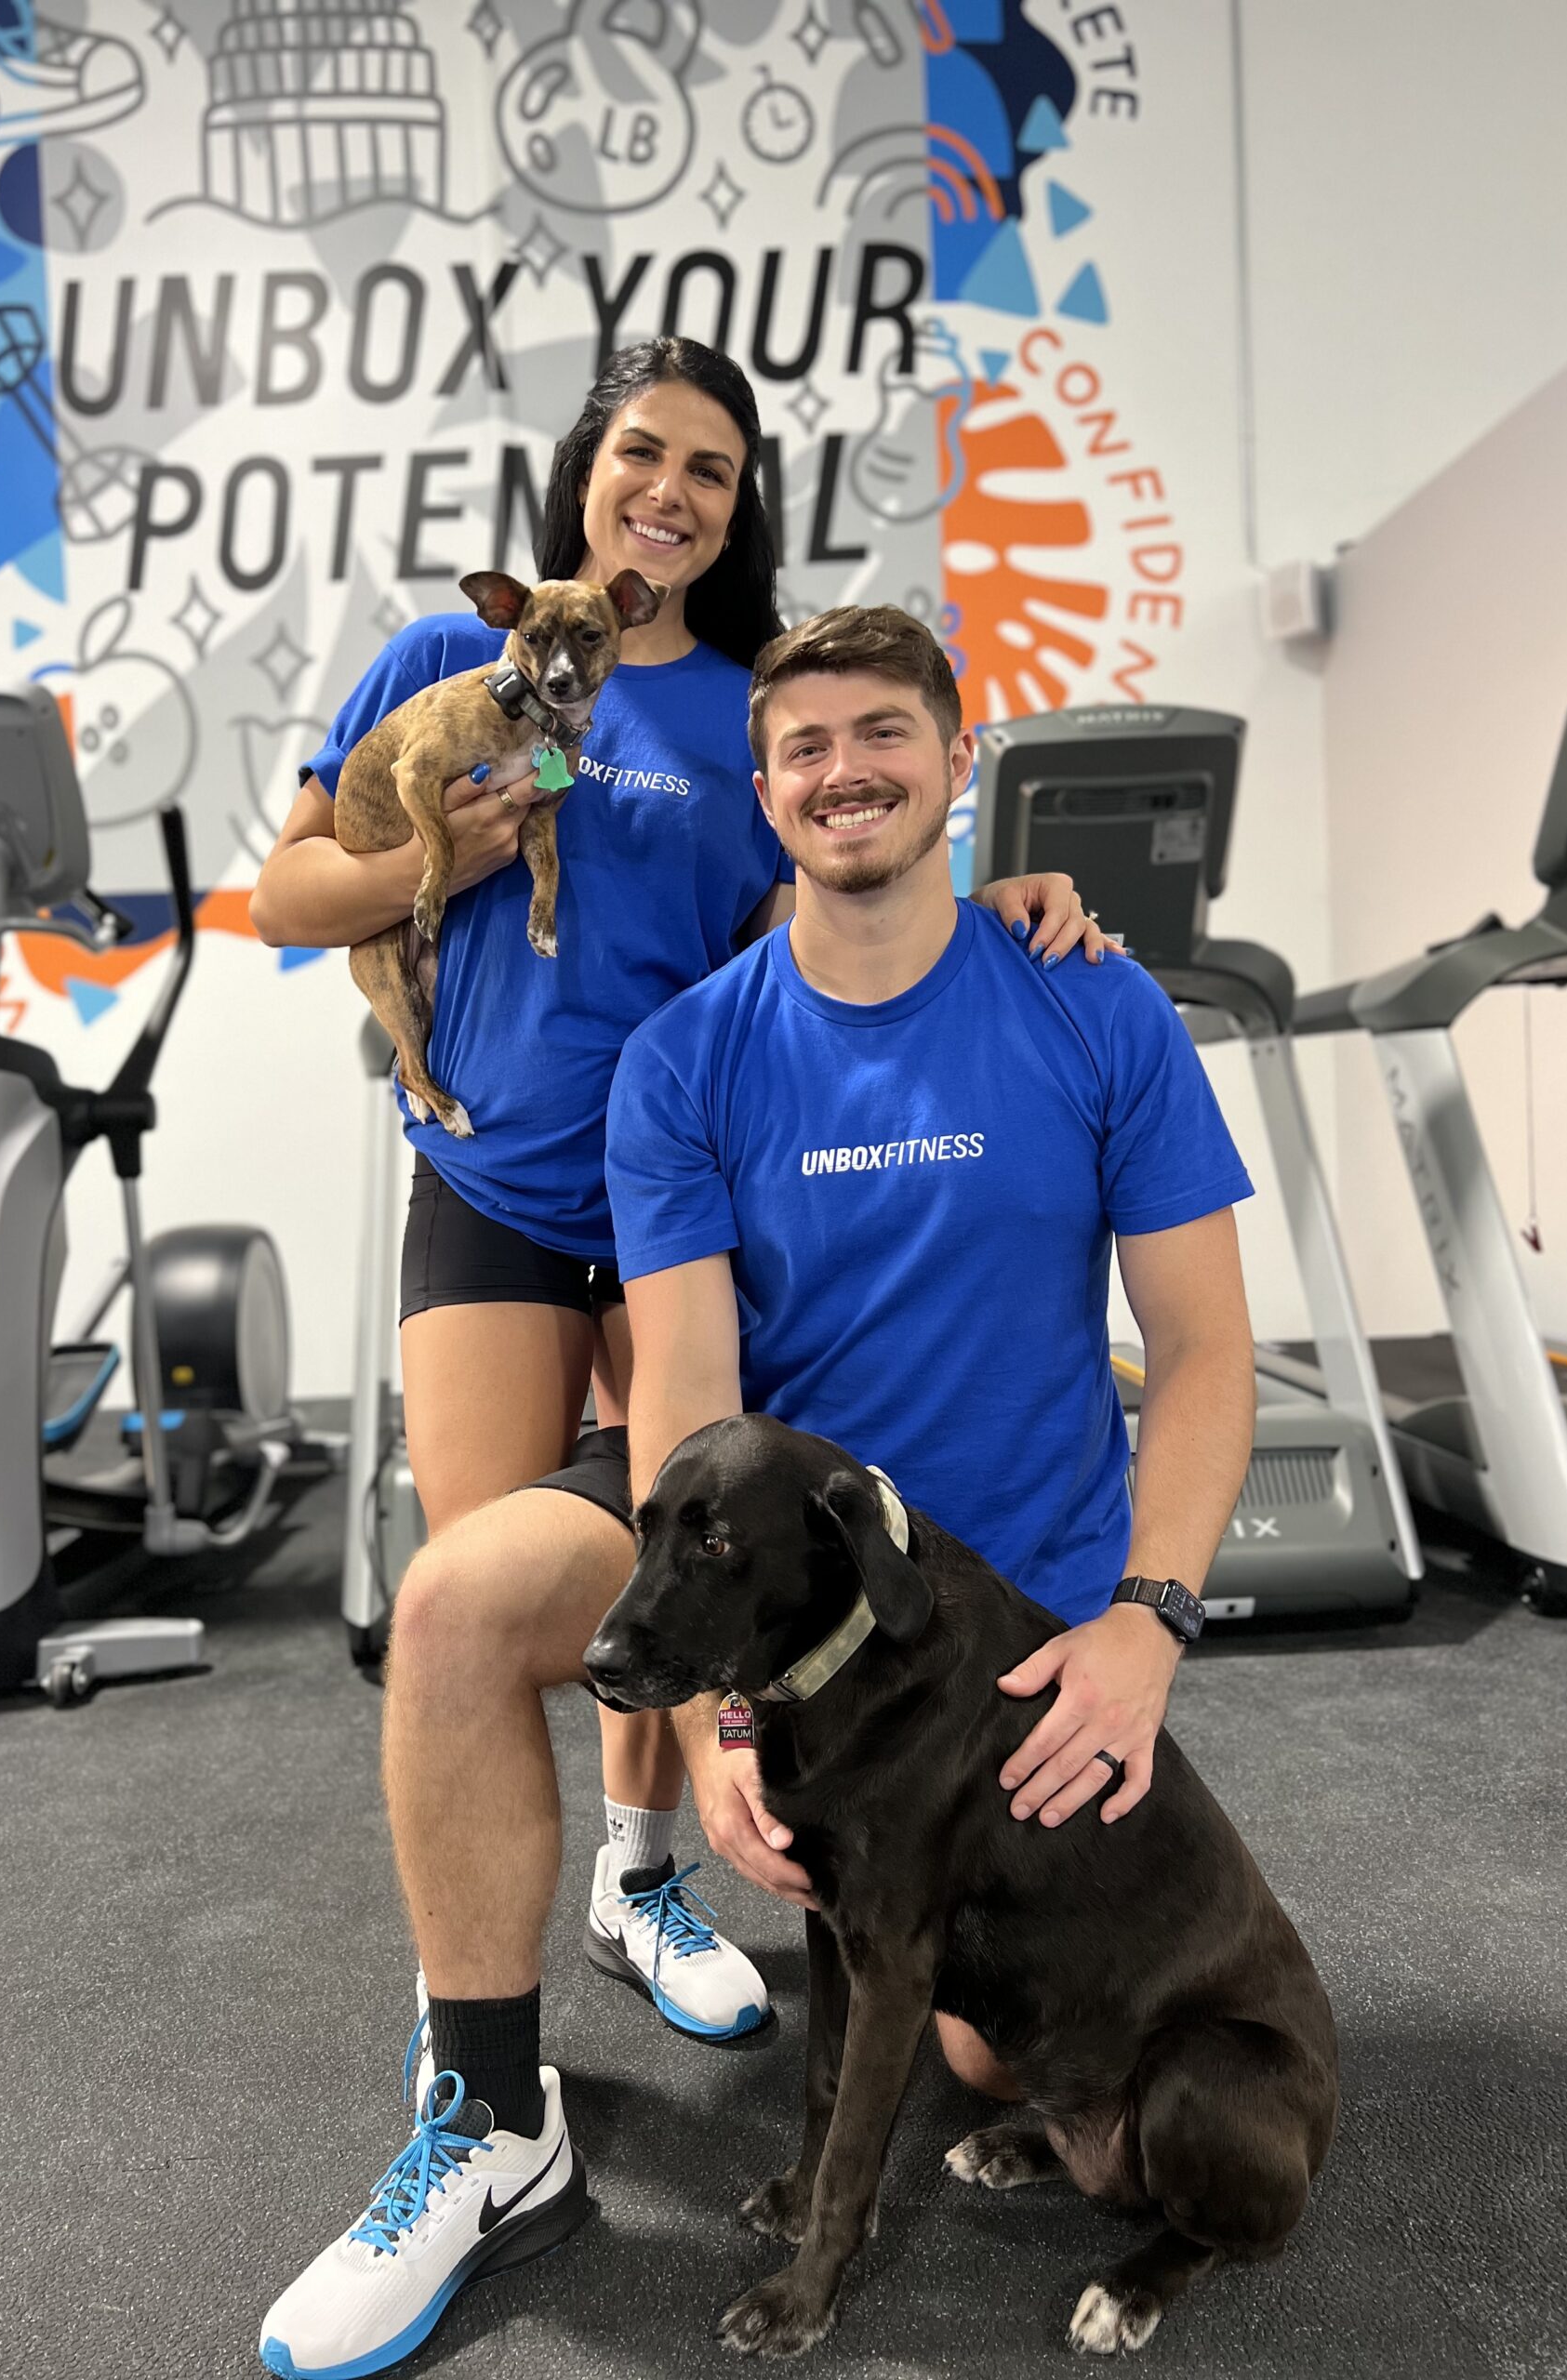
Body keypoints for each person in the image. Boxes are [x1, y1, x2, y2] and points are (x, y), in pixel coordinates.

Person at [255, 595, 1249, 2380]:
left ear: (960, 760)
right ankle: (492, 2123)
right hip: (785, 1558)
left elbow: (1203, 1355)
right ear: (765, 790)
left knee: (988, 2049)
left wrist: (1148, 1625)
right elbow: (693, 1402)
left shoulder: (1094, 1004)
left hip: (1012, 1595)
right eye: (805, 747)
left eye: (885, 734)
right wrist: (729, 1715)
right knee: (459, 1599)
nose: (844, 769)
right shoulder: (687, 1058)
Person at [251, 335, 1105, 2042]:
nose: (670, 491)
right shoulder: (449, 658)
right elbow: (285, 898)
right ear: (587, 470)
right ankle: (468, 2003)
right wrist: (446, 857)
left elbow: (822, 911)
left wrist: (993, 898)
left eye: (710, 471)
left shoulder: (750, 704)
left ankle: (640, 1886)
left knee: (677, 1567)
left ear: (736, 514)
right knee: (479, 1606)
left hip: (688, 1204)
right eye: (644, 453)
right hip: (491, 1184)